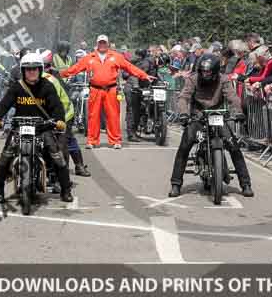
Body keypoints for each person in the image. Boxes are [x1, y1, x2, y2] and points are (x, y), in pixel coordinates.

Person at [0, 52, 72, 202]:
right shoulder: (17, 87)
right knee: (5, 158)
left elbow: (56, 106)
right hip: (19, 127)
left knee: (57, 157)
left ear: (40, 70)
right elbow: (4, 104)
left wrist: (59, 120)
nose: (31, 72)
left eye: (35, 68)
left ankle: (66, 190)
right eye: (28, 69)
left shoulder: (47, 86)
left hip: (42, 128)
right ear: (23, 70)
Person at [170, 53, 253, 198]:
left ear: (214, 71)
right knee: (185, 145)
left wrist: (238, 112)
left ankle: (245, 184)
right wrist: (183, 114)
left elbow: (232, 97)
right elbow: (184, 97)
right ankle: (176, 184)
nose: (205, 74)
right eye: (203, 71)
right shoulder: (193, 79)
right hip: (198, 115)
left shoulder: (223, 79)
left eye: (208, 72)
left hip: (217, 115)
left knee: (233, 146)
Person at [60, 35, 151, 149]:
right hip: (95, 90)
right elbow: (75, 68)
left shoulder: (116, 56)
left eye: (104, 42)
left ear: (108, 44)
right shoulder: (89, 57)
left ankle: (115, 141)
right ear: (97, 44)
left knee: (113, 116)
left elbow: (129, 67)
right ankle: (92, 141)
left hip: (111, 90)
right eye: (100, 43)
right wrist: (60, 74)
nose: (102, 45)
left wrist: (144, 75)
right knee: (93, 116)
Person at [40, 50, 90, 177]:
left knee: (64, 141)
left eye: (46, 66)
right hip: (48, 114)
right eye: (41, 66)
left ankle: (72, 170)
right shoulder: (35, 77)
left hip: (65, 113)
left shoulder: (54, 78)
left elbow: (59, 101)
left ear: (50, 66)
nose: (44, 69)